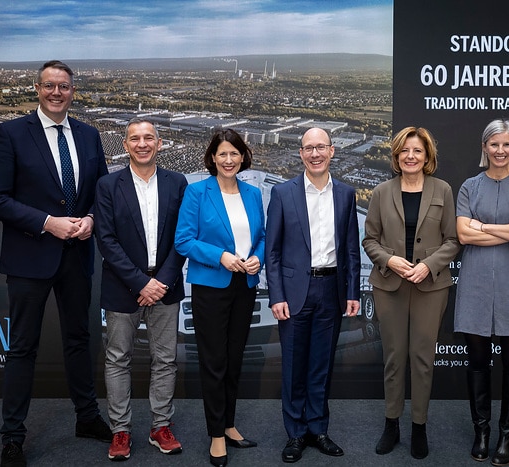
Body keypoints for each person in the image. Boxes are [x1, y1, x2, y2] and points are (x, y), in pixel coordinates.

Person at [0, 60, 111, 467]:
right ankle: (13, 438)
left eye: (65, 87)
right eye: (50, 86)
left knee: (79, 340)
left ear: (74, 91)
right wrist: (47, 223)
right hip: (29, 256)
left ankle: (87, 418)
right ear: (37, 89)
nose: (57, 93)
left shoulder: (90, 136)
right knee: (22, 347)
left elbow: (100, 193)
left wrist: (90, 219)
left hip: (77, 256)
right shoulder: (12, 133)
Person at [362, 126, 460, 459]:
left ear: (427, 155)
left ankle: (419, 426)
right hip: (390, 285)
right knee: (393, 359)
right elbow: (369, 240)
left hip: (430, 286)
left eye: (417, 151)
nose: (411, 156)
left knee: (422, 360)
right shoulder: (380, 192)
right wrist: (389, 259)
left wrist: (428, 265)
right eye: (404, 151)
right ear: (396, 156)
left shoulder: (443, 190)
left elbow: (453, 240)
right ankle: (392, 424)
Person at [93, 118, 187, 461]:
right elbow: (106, 240)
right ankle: (120, 431)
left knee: (166, 360)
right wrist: (141, 283)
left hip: (166, 286)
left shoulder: (178, 183)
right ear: (125, 144)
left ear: (159, 143)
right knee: (117, 359)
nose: (143, 143)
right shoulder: (107, 185)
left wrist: (160, 282)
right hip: (124, 287)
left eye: (149, 138)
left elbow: (183, 238)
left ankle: (160, 426)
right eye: (135, 138)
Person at [265, 127, 360, 464]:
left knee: (321, 366)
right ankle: (295, 434)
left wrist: (353, 290)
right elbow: (272, 252)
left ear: (332, 151)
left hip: (331, 290)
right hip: (293, 293)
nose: (316, 153)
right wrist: (276, 295)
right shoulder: (282, 193)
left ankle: (318, 428)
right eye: (309, 148)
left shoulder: (347, 194)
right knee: (293, 366)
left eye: (322, 147)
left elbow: (351, 249)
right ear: (301, 153)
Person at [174, 129, 265, 467]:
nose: (229, 160)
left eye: (235, 154)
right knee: (214, 363)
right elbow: (183, 240)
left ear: (244, 157)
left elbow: (263, 237)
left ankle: (229, 424)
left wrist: (259, 257)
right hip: (211, 288)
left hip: (245, 286)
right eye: (222, 154)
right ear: (212, 157)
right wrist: (221, 256)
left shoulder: (253, 194)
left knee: (234, 359)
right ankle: (215, 435)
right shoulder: (197, 192)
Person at [454, 119, 509, 466]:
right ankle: (482, 432)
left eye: (507, 145)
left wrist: (485, 226)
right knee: (477, 361)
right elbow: (463, 235)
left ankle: (508, 436)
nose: (500, 151)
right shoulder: (469, 186)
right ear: (484, 147)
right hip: (475, 280)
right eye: (494, 145)